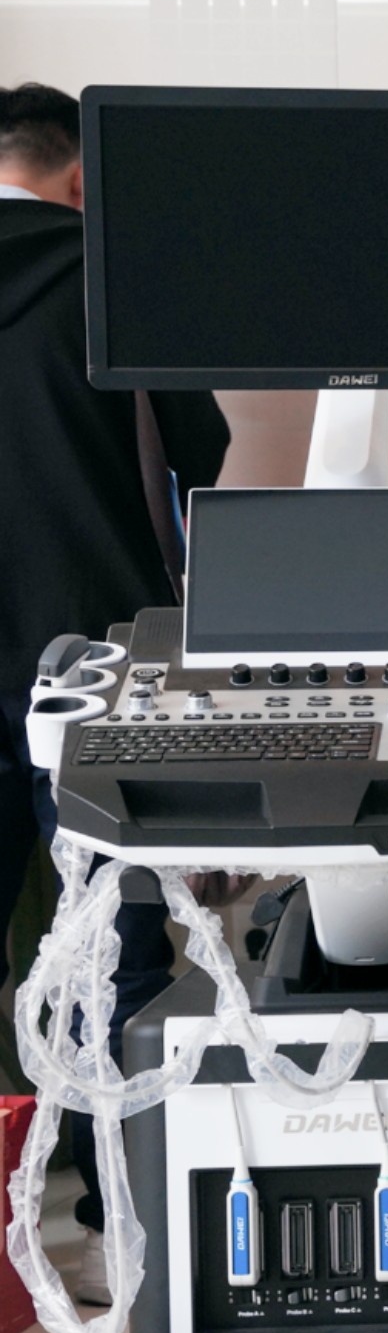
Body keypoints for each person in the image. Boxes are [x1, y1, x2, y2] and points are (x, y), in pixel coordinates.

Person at [0, 83, 224, 1076]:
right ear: (82, 178)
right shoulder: (117, 276)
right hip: (94, 664)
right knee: (113, 962)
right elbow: (198, 455)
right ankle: (114, 1173)